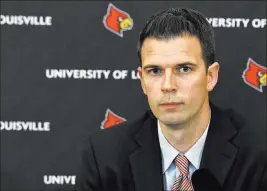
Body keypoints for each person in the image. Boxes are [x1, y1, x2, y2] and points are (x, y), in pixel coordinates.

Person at [74, 7, 266, 191]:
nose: (168, 85)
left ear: (211, 77)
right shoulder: (104, 157)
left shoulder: (258, 155)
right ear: (142, 80)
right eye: (155, 71)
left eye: (184, 69)